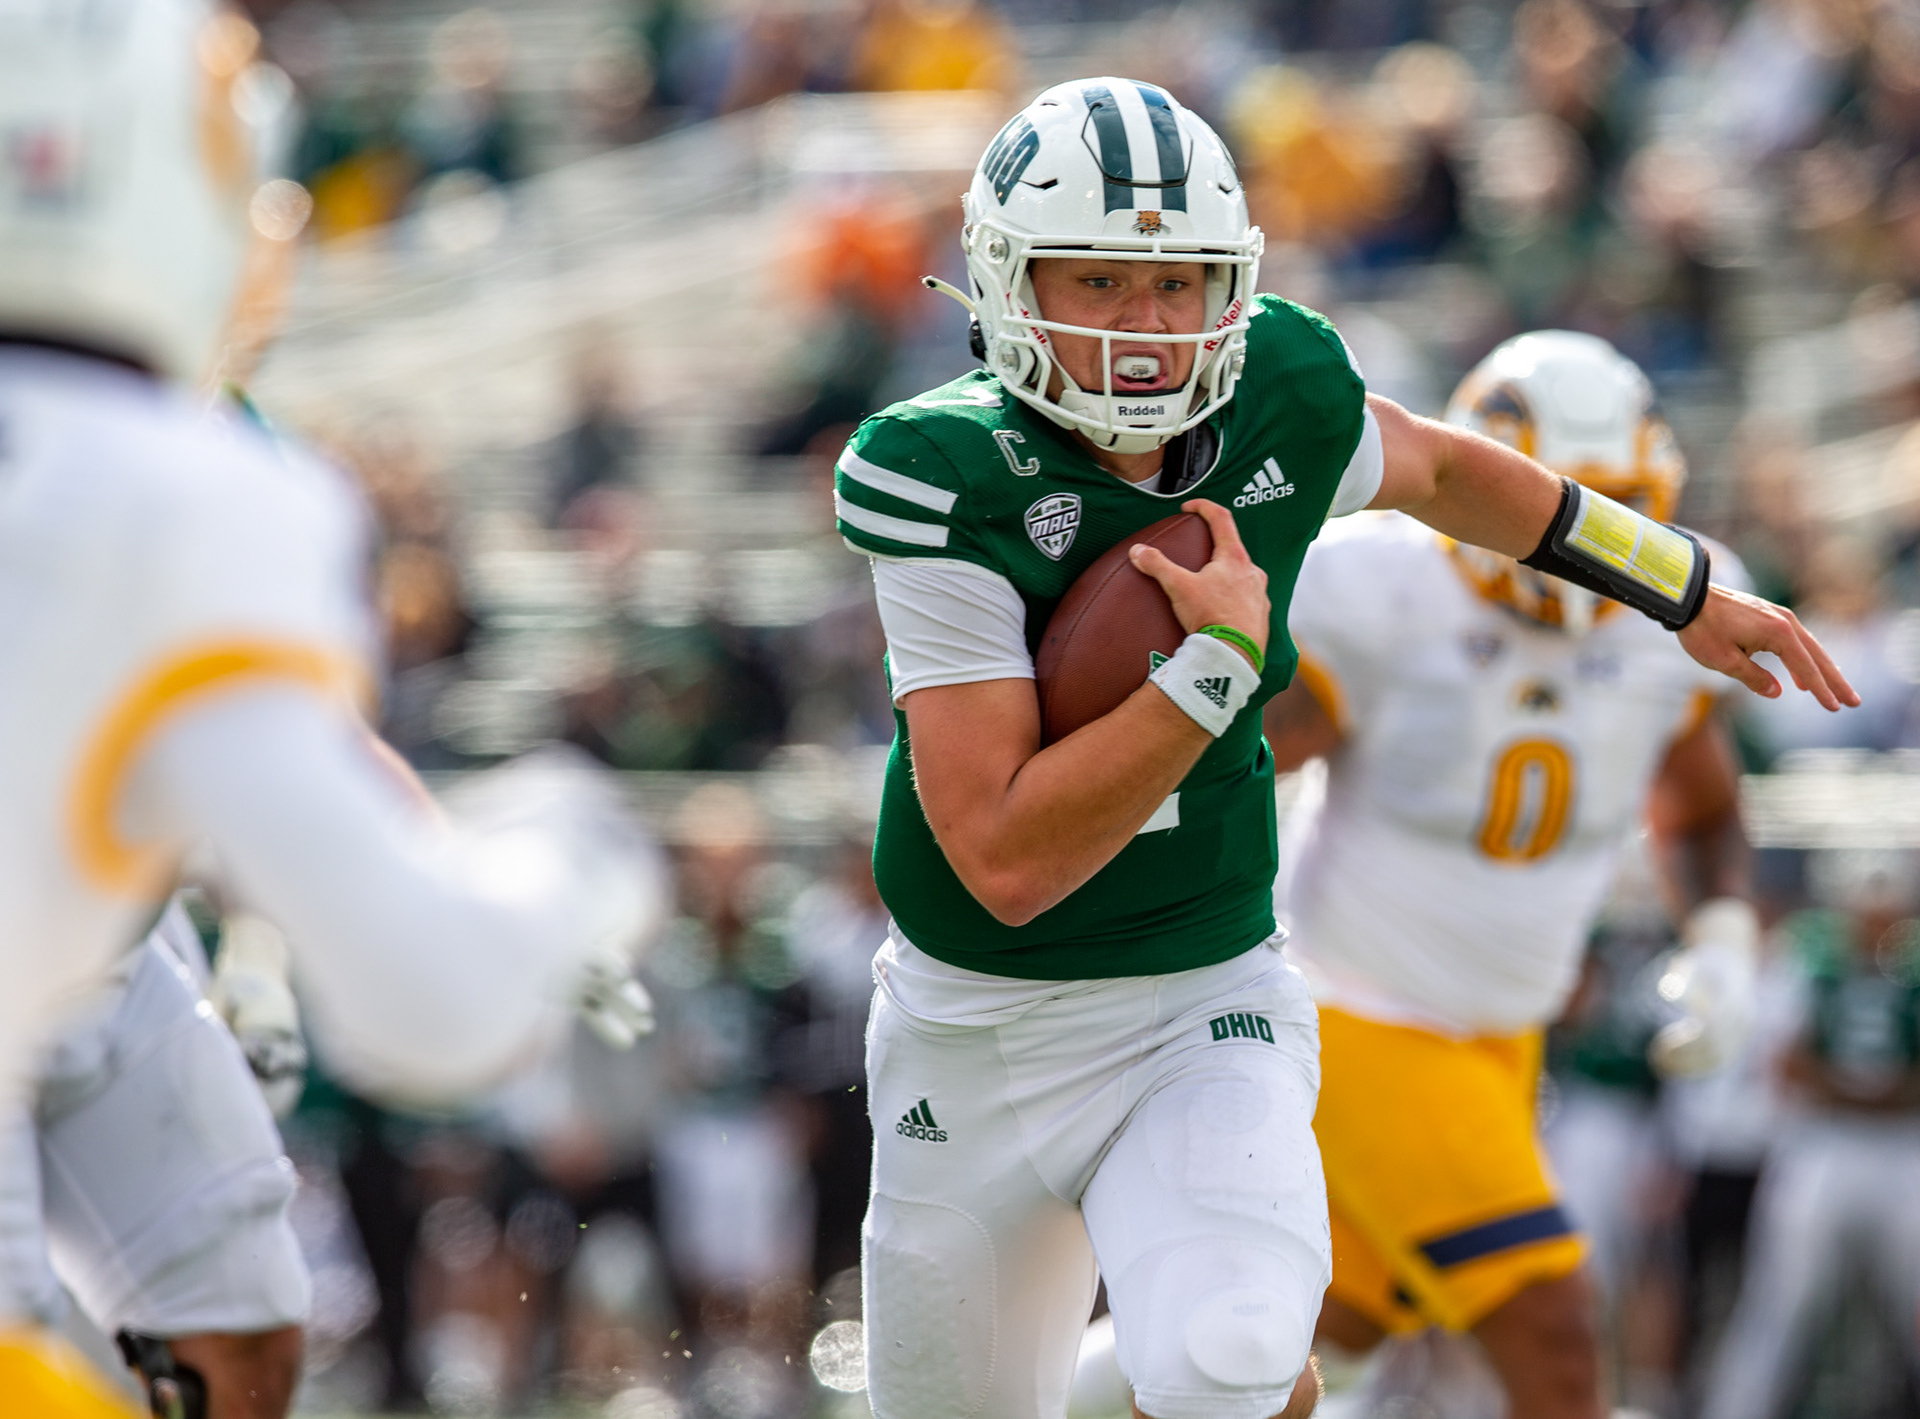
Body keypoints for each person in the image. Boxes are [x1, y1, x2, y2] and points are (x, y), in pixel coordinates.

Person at [833, 79, 1852, 1419]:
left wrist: (1683, 582)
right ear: (1009, 278)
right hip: (979, 1024)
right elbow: (1008, 856)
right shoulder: (938, 470)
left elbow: (1445, 471)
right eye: (1101, 279)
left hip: (1204, 996)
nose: (1148, 328)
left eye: (1183, 283)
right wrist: (1209, 675)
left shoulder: (1282, 391)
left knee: (1238, 1351)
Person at [0, 3, 664, 1409]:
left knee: (231, 1318)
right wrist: (573, 857)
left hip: (107, 957)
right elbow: (436, 1008)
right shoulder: (183, 489)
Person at [1256, 332, 1761, 1419]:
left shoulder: (1676, 618)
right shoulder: (1383, 586)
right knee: (1554, 1332)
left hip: (1499, 1038)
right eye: (1580, 503)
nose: (1604, 542)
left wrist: (1722, 943)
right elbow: (1227, 764)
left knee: (1292, 1349)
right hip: (1356, 1013)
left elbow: (1704, 808)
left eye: (1628, 504)